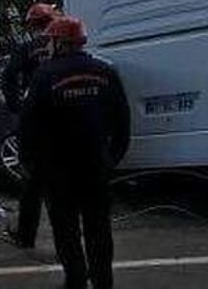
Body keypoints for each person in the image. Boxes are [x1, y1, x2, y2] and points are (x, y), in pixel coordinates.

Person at [19, 16, 131, 289]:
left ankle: (76, 280)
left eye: (50, 41)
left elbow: (28, 125)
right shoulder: (105, 71)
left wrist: (30, 163)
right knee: (99, 230)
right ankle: (104, 282)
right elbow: (122, 122)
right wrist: (111, 159)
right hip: (95, 167)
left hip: (58, 171)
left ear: (58, 43)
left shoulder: (44, 75)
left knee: (66, 231)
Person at [1, 2, 58, 248]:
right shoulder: (62, 44)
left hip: (34, 120)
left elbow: (8, 77)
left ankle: (26, 236)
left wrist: (17, 107)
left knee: (32, 181)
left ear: (32, 25)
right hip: (63, 121)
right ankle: (66, 238)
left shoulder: (26, 48)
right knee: (61, 182)